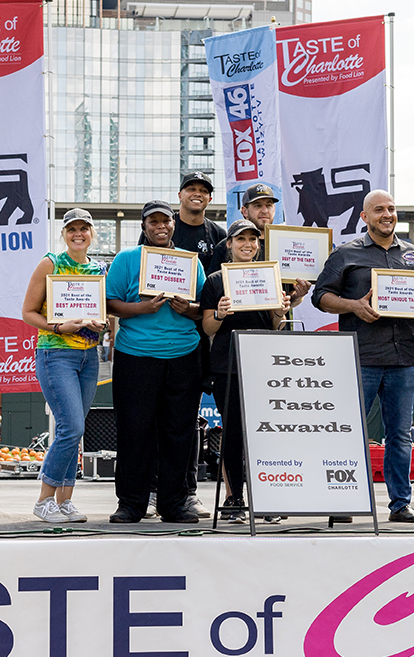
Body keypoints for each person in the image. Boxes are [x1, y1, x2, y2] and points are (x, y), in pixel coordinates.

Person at [312, 190, 414, 523]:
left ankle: (400, 505)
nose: (387, 214)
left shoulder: (413, 255)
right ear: (364, 217)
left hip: (406, 357)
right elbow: (320, 296)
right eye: (379, 209)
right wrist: (354, 305)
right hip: (362, 356)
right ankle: (342, 501)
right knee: (349, 430)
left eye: (392, 209)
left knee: (399, 434)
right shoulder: (345, 254)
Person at [105, 200, 206, 524]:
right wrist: (141, 309)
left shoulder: (190, 263)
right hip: (136, 356)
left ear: (174, 224)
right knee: (135, 432)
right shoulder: (126, 259)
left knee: (179, 433)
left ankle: (174, 503)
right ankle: (131, 504)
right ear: (144, 227)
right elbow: (109, 301)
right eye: (154, 222)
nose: (161, 226)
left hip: (183, 355)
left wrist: (186, 309)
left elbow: (201, 307)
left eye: (166, 221)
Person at [200, 219, 292, 523]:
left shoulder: (270, 276)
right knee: (234, 434)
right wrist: (220, 313)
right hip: (228, 365)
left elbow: (278, 323)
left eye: (253, 239)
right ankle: (234, 498)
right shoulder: (215, 280)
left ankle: (268, 499)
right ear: (229, 244)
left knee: (264, 434)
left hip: (263, 363)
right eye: (241, 239)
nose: (247, 244)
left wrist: (281, 308)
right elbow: (208, 327)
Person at [21, 208, 109, 523]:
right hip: (55, 353)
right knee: (72, 427)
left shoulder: (99, 269)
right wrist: (60, 327)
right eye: (72, 228)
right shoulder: (51, 263)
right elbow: (28, 312)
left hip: (89, 356)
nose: (78, 234)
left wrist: (102, 323)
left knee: (72, 430)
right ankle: (44, 500)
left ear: (91, 233)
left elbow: (103, 313)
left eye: (84, 228)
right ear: (64, 234)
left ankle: (64, 501)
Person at [170, 172, 227, 517]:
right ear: (180, 194)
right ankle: (154, 489)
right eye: (191, 189)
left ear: (209, 199)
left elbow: (223, 284)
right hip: (162, 331)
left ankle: (188, 492)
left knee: (189, 417)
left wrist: (200, 311)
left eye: (204, 191)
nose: (197, 194)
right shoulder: (162, 225)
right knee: (168, 416)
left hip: (203, 331)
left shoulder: (218, 235)